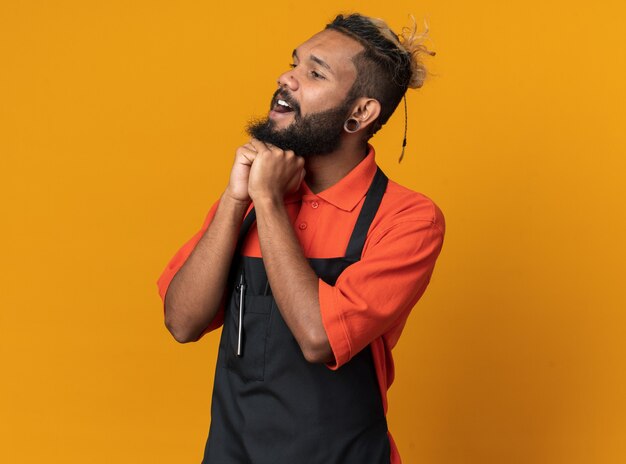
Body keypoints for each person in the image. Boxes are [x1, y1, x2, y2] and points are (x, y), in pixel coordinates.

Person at [157, 12, 445, 464]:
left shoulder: (407, 219)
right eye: (294, 63)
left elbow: (320, 339)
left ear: (360, 113)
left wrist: (268, 203)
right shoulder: (247, 200)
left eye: (314, 72)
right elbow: (181, 322)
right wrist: (236, 201)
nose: (285, 78)